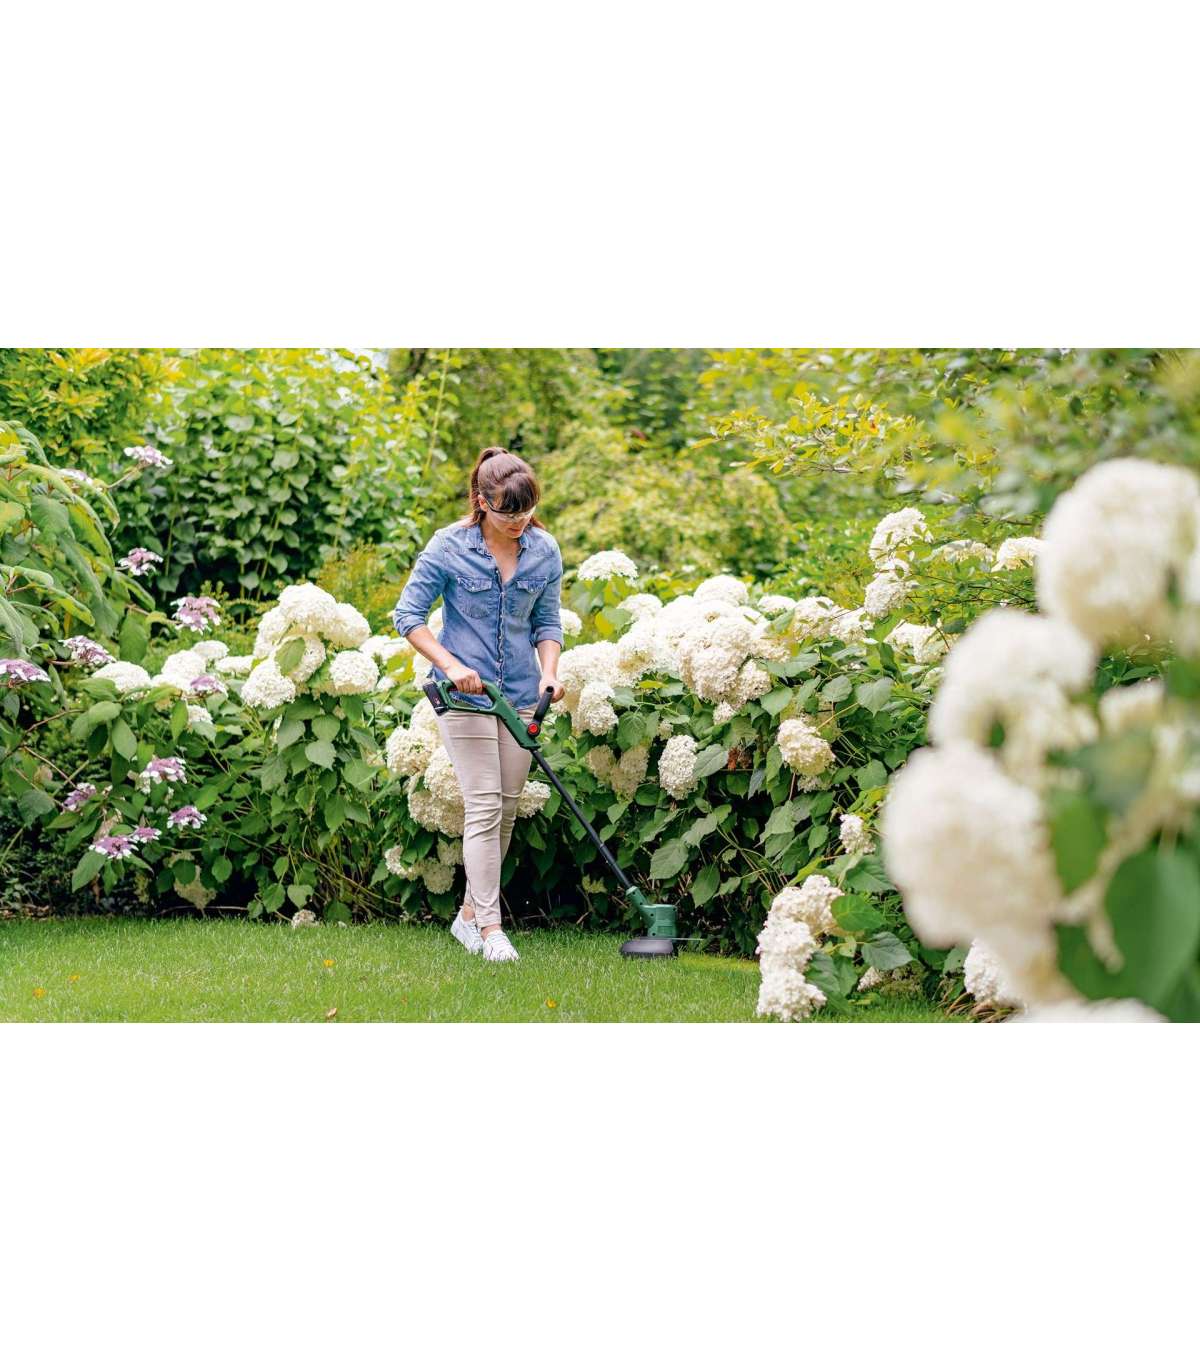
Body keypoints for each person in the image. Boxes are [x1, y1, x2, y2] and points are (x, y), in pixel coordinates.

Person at [392, 446, 566, 963]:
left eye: (527, 511)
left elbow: (547, 622)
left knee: (506, 809)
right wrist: (451, 666)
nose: (519, 522)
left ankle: (468, 916)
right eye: (509, 513)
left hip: (520, 694)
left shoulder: (544, 550)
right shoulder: (449, 546)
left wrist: (550, 672)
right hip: (463, 695)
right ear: (481, 502)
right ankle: (491, 929)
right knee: (485, 804)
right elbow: (408, 616)